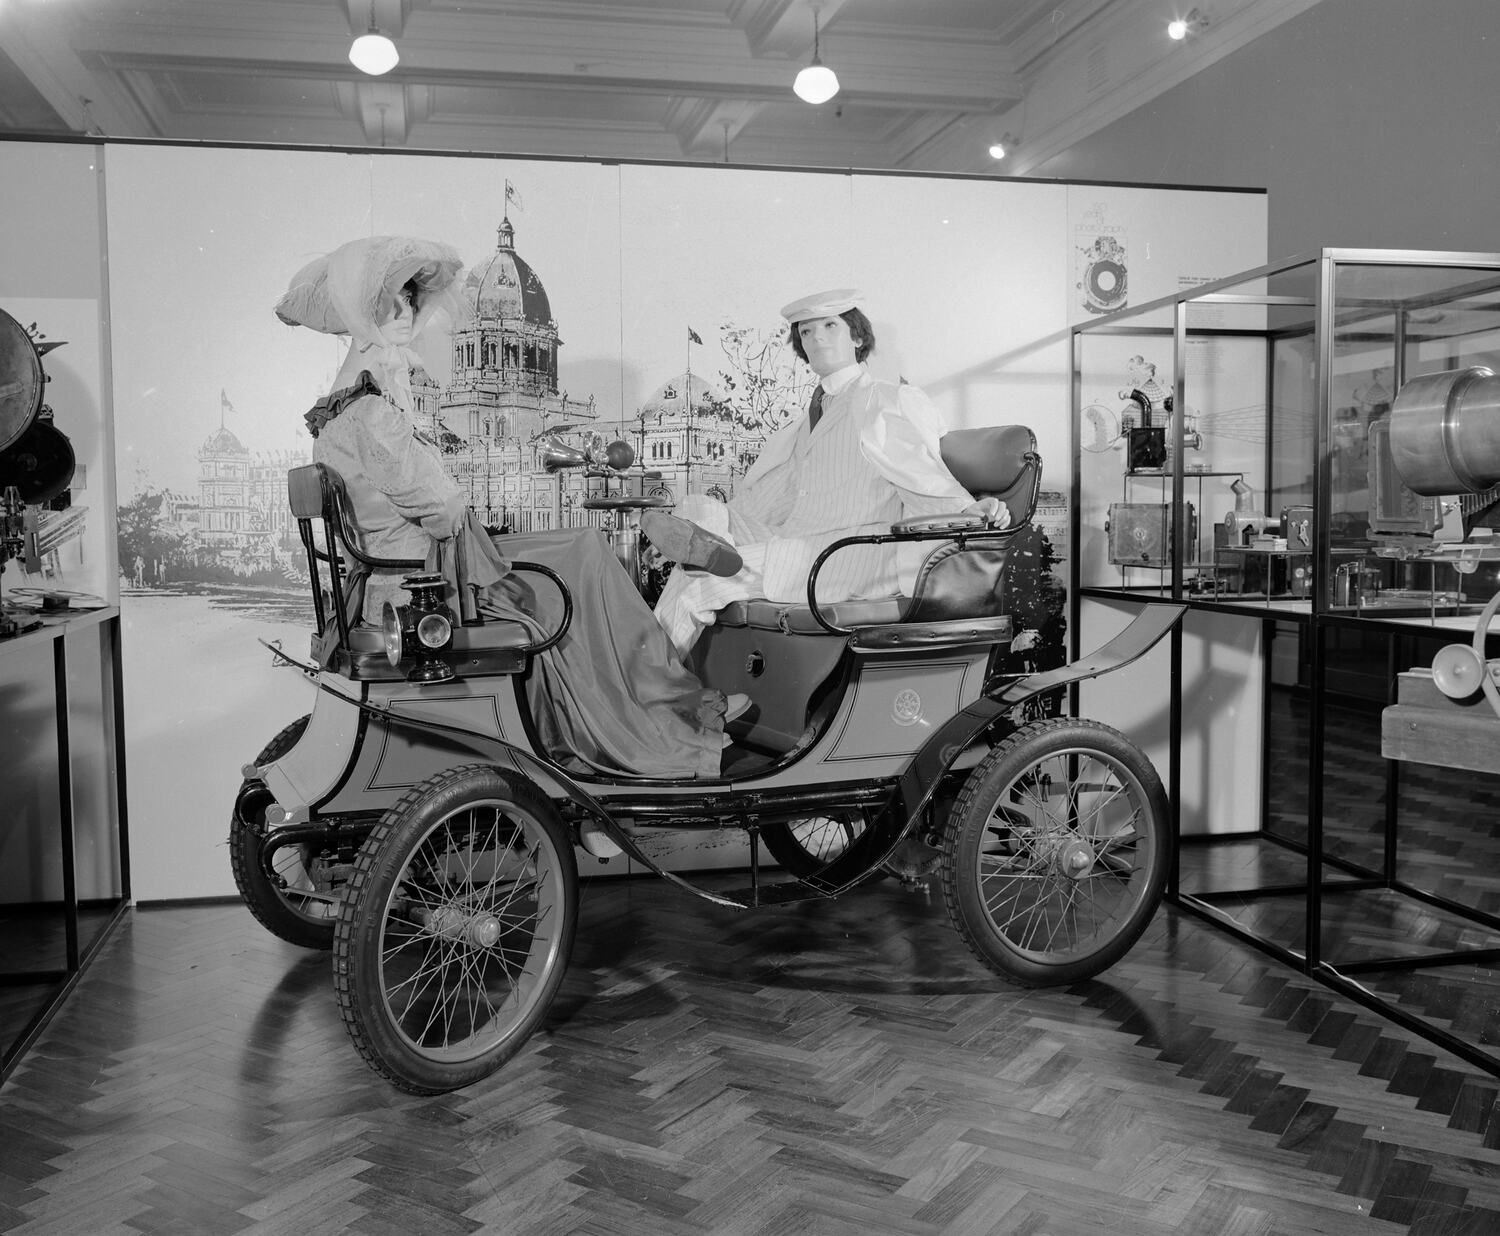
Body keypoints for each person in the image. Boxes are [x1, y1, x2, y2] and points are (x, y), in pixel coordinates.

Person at [275, 235, 730, 779]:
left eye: (410, 299)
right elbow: (443, 510)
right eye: (391, 301)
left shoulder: (334, 413)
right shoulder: (373, 412)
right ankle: (651, 709)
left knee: (577, 548)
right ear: (361, 312)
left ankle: (651, 699)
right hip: (428, 580)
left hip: (391, 573)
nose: (408, 312)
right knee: (585, 554)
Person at [646, 288, 1008, 657]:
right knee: (698, 505)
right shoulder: (805, 421)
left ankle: (647, 683)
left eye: (829, 326)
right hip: (794, 541)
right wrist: (710, 523)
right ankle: (708, 547)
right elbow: (780, 494)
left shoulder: (884, 399)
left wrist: (965, 511)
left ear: (857, 337)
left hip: (846, 555)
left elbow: (919, 469)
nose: (816, 337)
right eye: (806, 331)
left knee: (698, 584)